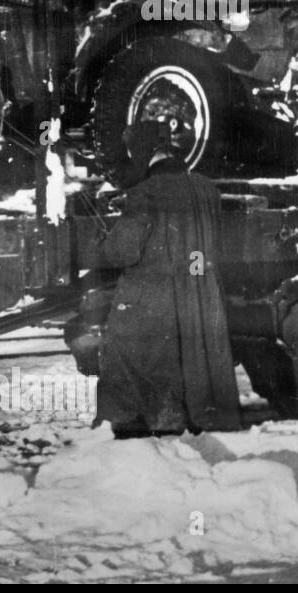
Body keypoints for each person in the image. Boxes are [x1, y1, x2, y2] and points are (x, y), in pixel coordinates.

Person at [96, 119, 242, 438]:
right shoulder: (206, 187)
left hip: (158, 295)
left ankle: (150, 426)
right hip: (203, 291)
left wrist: (106, 242)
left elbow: (123, 252)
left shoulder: (144, 193)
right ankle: (205, 417)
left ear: (141, 152)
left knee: (127, 346)